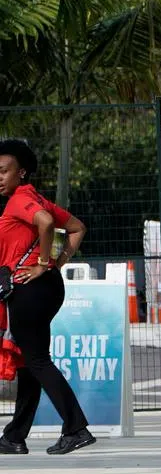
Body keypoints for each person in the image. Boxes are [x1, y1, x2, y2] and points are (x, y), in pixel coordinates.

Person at [0, 139, 95, 456]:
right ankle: (15, 436)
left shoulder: (20, 200)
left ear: (21, 172)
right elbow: (74, 228)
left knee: (37, 360)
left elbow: (46, 224)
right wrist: (55, 263)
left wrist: (42, 265)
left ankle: (76, 427)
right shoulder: (33, 197)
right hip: (45, 287)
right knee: (30, 361)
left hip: (31, 289)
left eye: (3, 171)